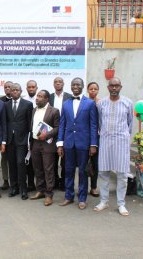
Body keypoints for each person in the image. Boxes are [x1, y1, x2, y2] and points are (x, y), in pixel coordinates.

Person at [94, 78, 133, 216]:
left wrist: (125, 137)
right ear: (108, 87)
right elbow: (99, 122)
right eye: (112, 86)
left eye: (117, 86)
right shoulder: (101, 104)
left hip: (121, 142)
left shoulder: (128, 103)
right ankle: (104, 201)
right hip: (105, 141)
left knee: (122, 174)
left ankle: (121, 204)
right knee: (103, 172)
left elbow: (130, 124)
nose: (114, 88)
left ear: (120, 87)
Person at [57, 78, 98, 210]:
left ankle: (82, 198)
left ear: (82, 86)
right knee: (68, 171)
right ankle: (68, 196)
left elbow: (93, 125)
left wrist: (93, 144)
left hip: (83, 143)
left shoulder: (90, 103)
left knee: (82, 172)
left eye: (78, 85)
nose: (75, 86)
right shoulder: (66, 104)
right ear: (70, 86)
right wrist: (60, 144)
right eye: (73, 84)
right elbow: (62, 124)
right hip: (69, 143)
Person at [30, 90, 60, 206]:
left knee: (48, 169)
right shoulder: (34, 110)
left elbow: (58, 128)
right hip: (35, 143)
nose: (37, 98)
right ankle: (40, 190)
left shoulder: (54, 111)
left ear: (47, 99)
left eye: (40, 96)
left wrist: (46, 135)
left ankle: (49, 194)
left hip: (48, 144)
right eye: (37, 96)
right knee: (37, 168)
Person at [5, 83, 33, 200]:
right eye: (13, 90)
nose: (15, 92)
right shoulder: (5, 105)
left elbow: (29, 124)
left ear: (21, 91)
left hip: (22, 140)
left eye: (17, 90)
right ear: (10, 92)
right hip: (9, 140)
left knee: (20, 164)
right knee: (11, 164)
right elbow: (5, 122)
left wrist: (29, 141)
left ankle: (23, 189)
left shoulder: (28, 104)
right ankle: (14, 187)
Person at [49, 77, 72, 190]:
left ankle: (63, 181)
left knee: (64, 159)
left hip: (65, 131)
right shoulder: (49, 97)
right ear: (53, 84)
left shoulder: (69, 97)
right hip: (52, 131)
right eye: (56, 82)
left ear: (63, 84)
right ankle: (54, 181)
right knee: (52, 158)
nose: (58, 84)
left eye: (60, 82)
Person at [23, 80, 38, 191]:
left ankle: (40, 185)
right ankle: (30, 183)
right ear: (26, 88)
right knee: (27, 161)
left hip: (38, 134)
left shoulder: (41, 98)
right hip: (25, 134)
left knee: (37, 161)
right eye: (29, 87)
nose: (31, 89)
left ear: (36, 88)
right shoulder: (23, 99)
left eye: (33, 87)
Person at [87, 81, 100, 197]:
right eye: (91, 89)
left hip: (97, 137)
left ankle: (94, 187)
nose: (93, 91)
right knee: (84, 163)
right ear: (87, 90)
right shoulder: (84, 103)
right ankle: (83, 187)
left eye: (95, 89)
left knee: (95, 164)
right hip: (85, 137)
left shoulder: (101, 103)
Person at [0, 81, 13, 190]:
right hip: (4, 134)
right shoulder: (0, 101)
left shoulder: (20, 100)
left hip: (17, 135)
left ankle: (15, 180)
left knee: (16, 159)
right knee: (4, 158)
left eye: (9, 87)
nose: (7, 89)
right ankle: (5, 180)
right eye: (6, 87)